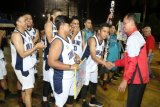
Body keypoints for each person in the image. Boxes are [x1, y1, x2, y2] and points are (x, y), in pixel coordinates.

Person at [111, 13, 149, 107]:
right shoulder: (136, 35)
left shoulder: (133, 38)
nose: (123, 26)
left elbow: (132, 63)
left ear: (132, 23)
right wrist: (114, 63)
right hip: (139, 79)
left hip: (136, 79)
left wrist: (125, 80)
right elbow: (127, 59)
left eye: (125, 23)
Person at [10, 13, 45, 107]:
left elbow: (28, 47)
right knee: (29, 90)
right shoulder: (16, 35)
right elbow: (22, 54)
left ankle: (25, 103)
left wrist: (36, 47)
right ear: (17, 23)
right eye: (24, 20)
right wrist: (36, 47)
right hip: (22, 67)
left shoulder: (26, 32)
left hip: (29, 65)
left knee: (26, 89)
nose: (27, 22)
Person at [48, 15, 79, 107]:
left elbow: (69, 53)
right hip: (61, 78)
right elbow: (51, 62)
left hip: (70, 76)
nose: (71, 27)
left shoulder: (68, 38)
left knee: (69, 100)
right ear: (62, 26)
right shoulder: (57, 42)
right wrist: (71, 66)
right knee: (60, 103)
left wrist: (76, 56)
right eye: (69, 25)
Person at [81, 23, 111, 107]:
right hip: (85, 66)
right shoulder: (92, 40)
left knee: (94, 83)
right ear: (99, 31)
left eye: (107, 32)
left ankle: (92, 100)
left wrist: (105, 62)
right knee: (85, 85)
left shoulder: (103, 42)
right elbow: (94, 56)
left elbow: (99, 56)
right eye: (104, 31)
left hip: (94, 66)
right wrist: (105, 63)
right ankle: (83, 102)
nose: (106, 33)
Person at [42, 8, 62, 107]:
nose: (60, 18)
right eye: (58, 16)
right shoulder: (49, 24)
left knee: (54, 78)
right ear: (53, 16)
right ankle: (44, 99)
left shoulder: (58, 26)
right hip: (48, 55)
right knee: (47, 79)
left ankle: (53, 96)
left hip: (56, 56)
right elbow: (50, 40)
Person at [101, 25, 121, 91]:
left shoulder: (117, 37)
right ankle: (104, 84)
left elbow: (119, 46)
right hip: (109, 56)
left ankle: (109, 81)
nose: (113, 29)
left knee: (113, 69)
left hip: (115, 56)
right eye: (111, 28)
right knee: (106, 71)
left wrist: (118, 55)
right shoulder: (107, 36)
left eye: (114, 28)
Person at [0, 30, 12, 104]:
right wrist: (0, 35)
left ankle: (6, 91)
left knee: (4, 76)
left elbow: (6, 44)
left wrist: (3, 36)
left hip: (1, 58)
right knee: (1, 78)